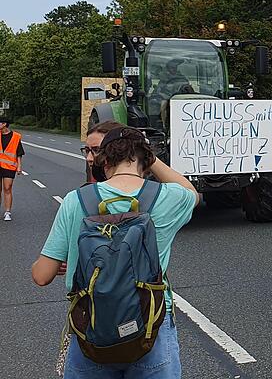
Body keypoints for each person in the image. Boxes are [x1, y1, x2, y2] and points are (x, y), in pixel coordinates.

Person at [31, 126, 200, 378]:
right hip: (151, 324)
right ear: (145, 159)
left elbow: (41, 276)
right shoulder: (169, 198)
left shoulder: (75, 200)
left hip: (92, 326)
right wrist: (151, 159)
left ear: (105, 160)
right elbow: (192, 193)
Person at [0, 116, 23, 221]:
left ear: (4, 124)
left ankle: (7, 212)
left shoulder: (16, 137)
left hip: (9, 167)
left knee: (7, 188)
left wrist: (19, 166)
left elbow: (19, 153)